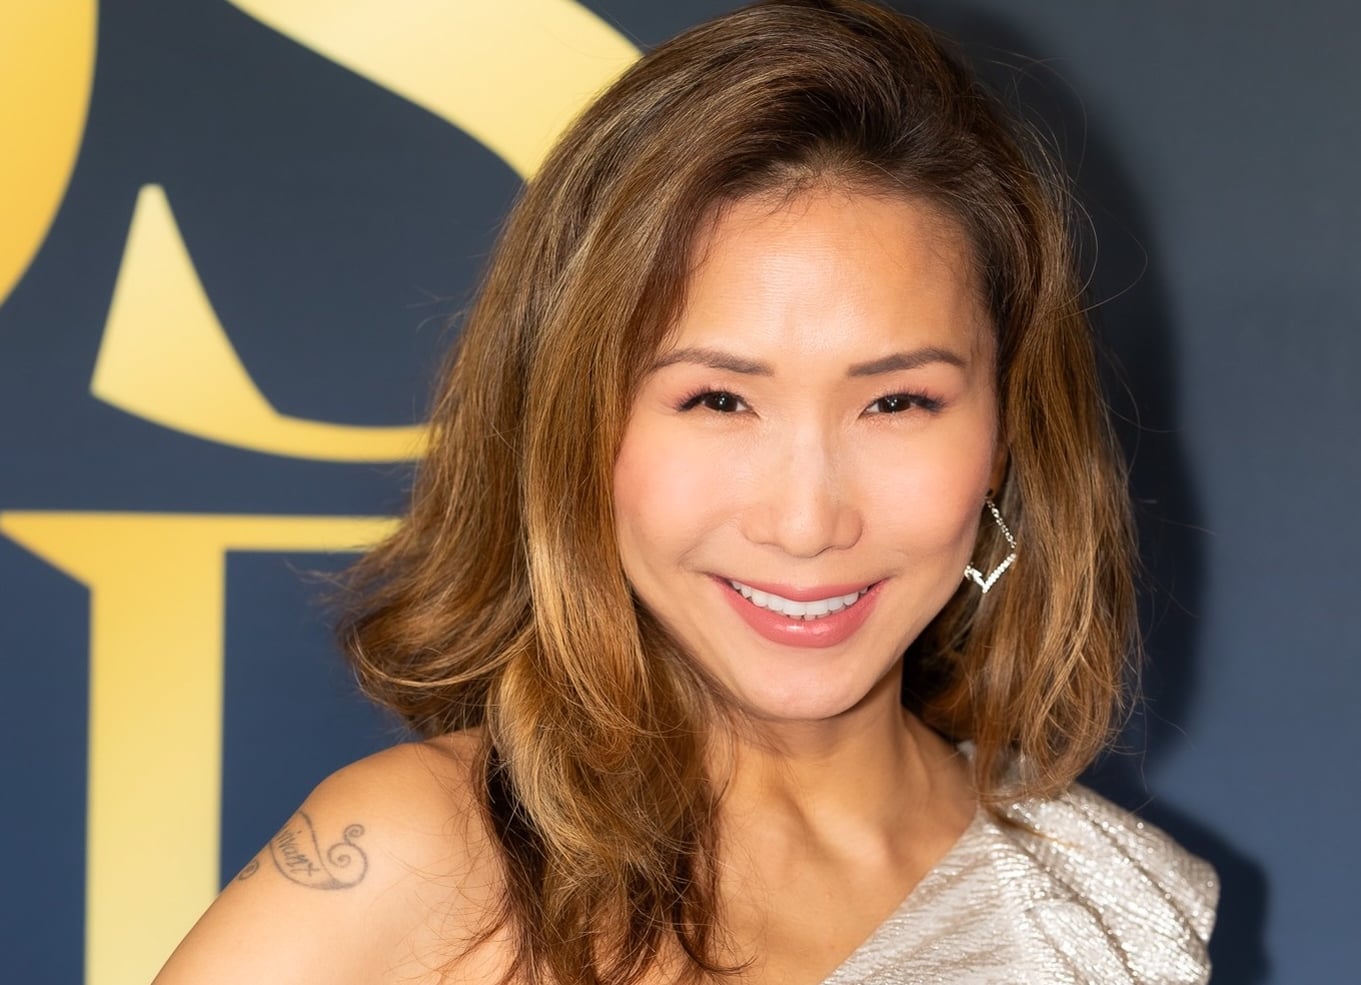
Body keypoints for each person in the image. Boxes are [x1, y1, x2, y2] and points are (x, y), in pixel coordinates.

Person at [154, 1, 1217, 982]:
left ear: (1005, 432)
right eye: (717, 400)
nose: (806, 521)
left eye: (896, 402)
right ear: (575, 423)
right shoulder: (421, 862)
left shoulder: (1113, 909)